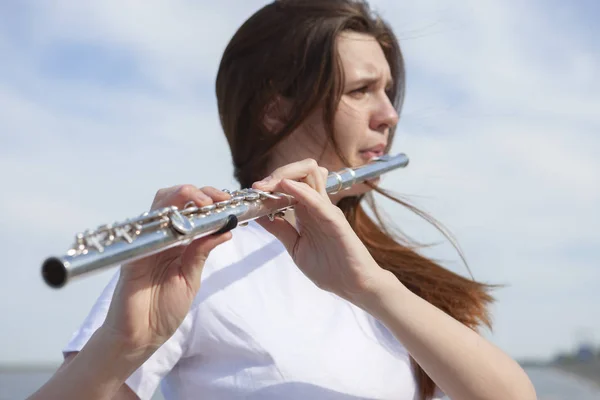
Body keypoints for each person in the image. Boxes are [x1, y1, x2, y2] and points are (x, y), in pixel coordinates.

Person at [29, 1, 537, 399]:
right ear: (274, 112)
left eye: (388, 91)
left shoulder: (381, 271)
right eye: (361, 90)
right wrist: (121, 347)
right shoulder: (198, 257)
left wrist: (371, 287)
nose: (389, 114)